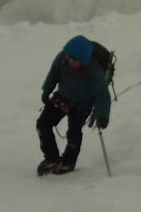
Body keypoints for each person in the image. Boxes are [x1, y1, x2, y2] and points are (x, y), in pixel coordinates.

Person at [36, 35, 112, 175]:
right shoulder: (62, 58)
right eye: (68, 57)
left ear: (83, 59)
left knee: (73, 131)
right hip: (63, 97)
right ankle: (51, 158)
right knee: (43, 124)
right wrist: (46, 91)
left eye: (73, 59)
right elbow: (53, 74)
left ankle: (69, 161)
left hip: (83, 104)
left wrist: (102, 115)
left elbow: (102, 94)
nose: (69, 60)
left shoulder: (94, 71)